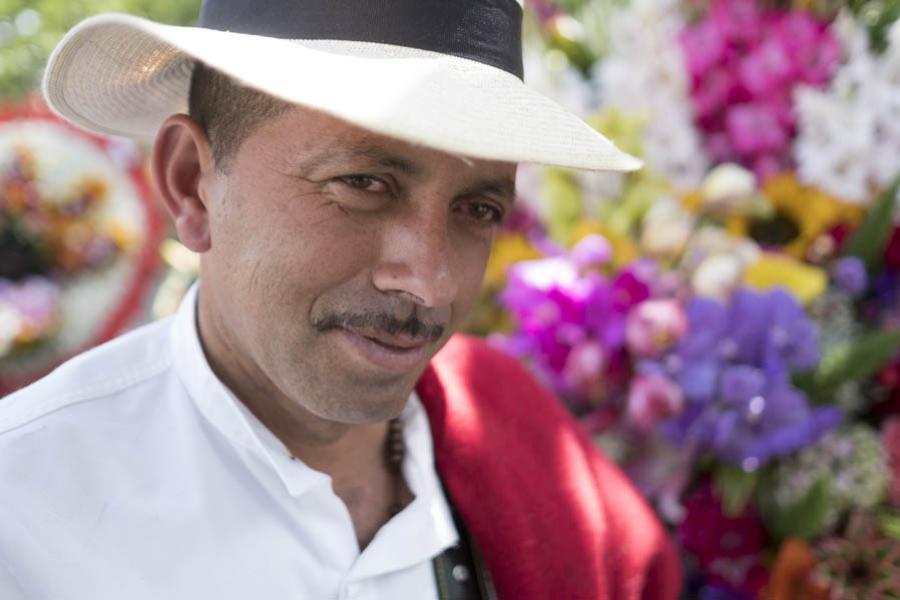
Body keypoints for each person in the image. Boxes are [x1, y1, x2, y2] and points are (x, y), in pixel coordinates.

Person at [0, 1, 681, 598]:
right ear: (192, 184)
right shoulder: (26, 516)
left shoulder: (518, 436)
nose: (428, 282)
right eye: (363, 182)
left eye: (477, 208)